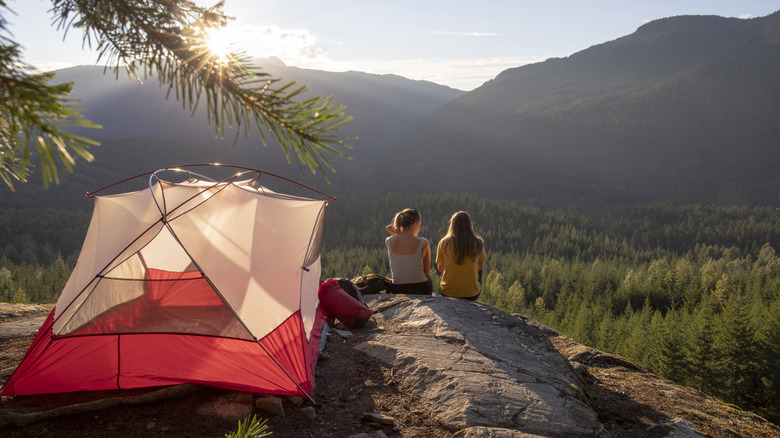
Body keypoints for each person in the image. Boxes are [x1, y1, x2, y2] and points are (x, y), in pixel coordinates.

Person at [435, 211, 486, 300]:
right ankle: (473, 288)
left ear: (452, 225)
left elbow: (441, 268)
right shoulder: (478, 243)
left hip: (448, 292)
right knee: (479, 270)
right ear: (470, 225)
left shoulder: (444, 242)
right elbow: (479, 267)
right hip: (471, 295)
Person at [384, 208, 433, 295]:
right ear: (414, 225)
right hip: (421, 289)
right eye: (419, 225)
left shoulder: (389, 241)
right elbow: (427, 272)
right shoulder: (424, 243)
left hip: (398, 289)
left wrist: (397, 232)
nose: (419, 228)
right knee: (428, 278)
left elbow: (403, 239)